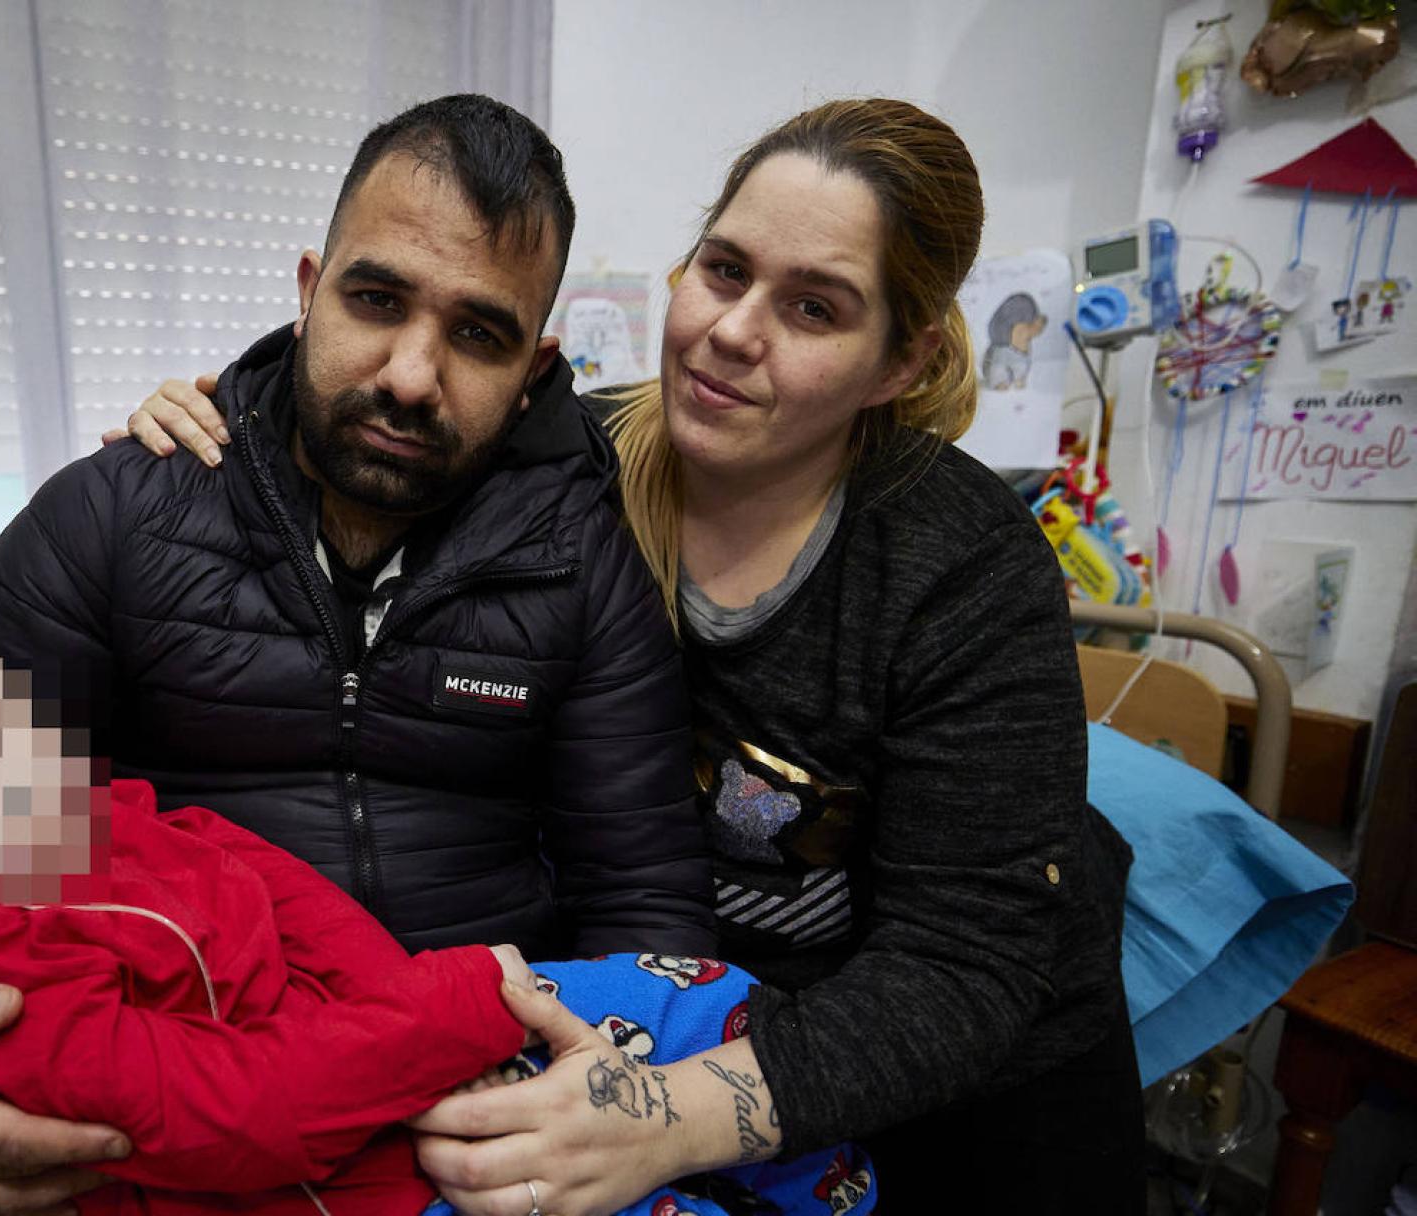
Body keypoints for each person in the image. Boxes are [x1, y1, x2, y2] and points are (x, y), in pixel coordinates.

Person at [119, 99, 1143, 1213]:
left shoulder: (962, 566)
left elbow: (960, 971)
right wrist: (215, 422)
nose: (735, 329)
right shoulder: (565, 465)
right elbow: (384, 404)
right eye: (724, 268)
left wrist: (665, 1120)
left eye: (813, 307)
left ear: (901, 361)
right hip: (669, 1019)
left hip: (960, 1089)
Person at [0, 93, 715, 1215]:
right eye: (375, 298)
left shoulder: (582, 562)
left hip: (503, 1087)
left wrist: (609, 1089)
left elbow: (646, 897)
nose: (408, 372)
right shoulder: (105, 521)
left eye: (478, 334)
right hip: (188, 1091)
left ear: (536, 368)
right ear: (308, 292)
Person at [0, 600, 871, 1216]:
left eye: (16, 720)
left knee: (716, 1002)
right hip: (360, 1178)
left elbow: (292, 903)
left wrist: (434, 1007)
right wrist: (450, 1025)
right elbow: (233, 1110)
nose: (30, 760)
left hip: (430, 1017)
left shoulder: (124, 821)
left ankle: (829, 1181)